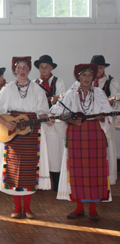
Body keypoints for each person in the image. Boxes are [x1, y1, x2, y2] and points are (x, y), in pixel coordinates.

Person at [0, 56, 52, 219]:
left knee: (30, 170)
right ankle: (17, 208)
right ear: (14, 70)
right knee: (14, 170)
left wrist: (47, 117)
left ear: (29, 70)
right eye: (19, 68)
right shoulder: (7, 89)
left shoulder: (38, 89)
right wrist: (6, 123)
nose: (22, 71)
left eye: (25, 68)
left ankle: (28, 208)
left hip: (32, 133)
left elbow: (43, 111)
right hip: (13, 133)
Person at [51, 63, 112, 221]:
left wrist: (102, 117)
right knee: (77, 172)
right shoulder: (71, 94)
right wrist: (71, 120)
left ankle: (93, 209)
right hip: (76, 135)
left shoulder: (99, 93)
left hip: (95, 136)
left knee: (95, 172)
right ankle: (79, 207)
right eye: (84, 75)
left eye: (90, 75)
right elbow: (56, 112)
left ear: (93, 77)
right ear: (78, 77)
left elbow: (109, 114)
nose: (87, 78)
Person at [32, 55, 67, 191]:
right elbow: (33, 103)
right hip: (41, 122)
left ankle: (57, 184)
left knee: (55, 154)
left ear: (52, 68)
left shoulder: (59, 82)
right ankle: (40, 183)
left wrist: (52, 106)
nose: (44, 69)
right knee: (40, 154)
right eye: (42, 66)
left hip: (54, 123)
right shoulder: (34, 83)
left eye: (47, 66)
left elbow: (61, 101)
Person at [90, 55, 119, 185]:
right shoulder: (87, 80)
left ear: (104, 68)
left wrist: (111, 102)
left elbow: (116, 98)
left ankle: (109, 178)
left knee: (108, 148)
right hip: (90, 121)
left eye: (100, 67)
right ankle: (93, 176)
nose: (98, 70)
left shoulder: (111, 82)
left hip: (106, 121)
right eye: (95, 68)